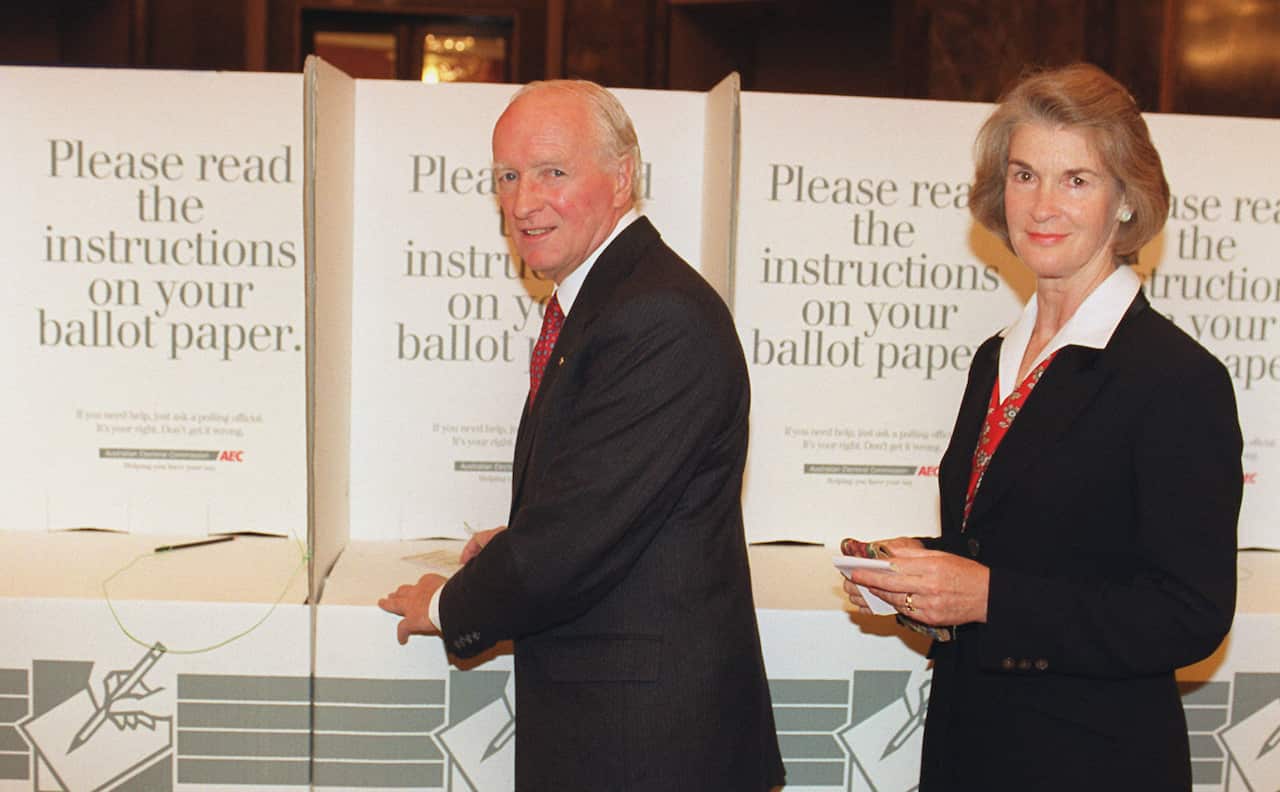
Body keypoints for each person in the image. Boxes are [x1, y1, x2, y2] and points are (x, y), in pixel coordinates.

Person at [843, 63, 1242, 791]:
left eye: (1076, 180)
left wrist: (988, 597)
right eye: (1024, 175)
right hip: (971, 746)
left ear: (1127, 201)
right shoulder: (995, 358)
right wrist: (918, 574)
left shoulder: (1175, 379)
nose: (1042, 205)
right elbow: (1012, 548)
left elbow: (1190, 614)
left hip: (1095, 760)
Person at [379, 79, 785, 791]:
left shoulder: (657, 316)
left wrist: (448, 605)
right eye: (507, 175)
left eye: (552, 172)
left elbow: (572, 542)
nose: (523, 200)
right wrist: (517, 542)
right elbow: (611, 509)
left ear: (622, 177)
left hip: (648, 747)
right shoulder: (608, 301)